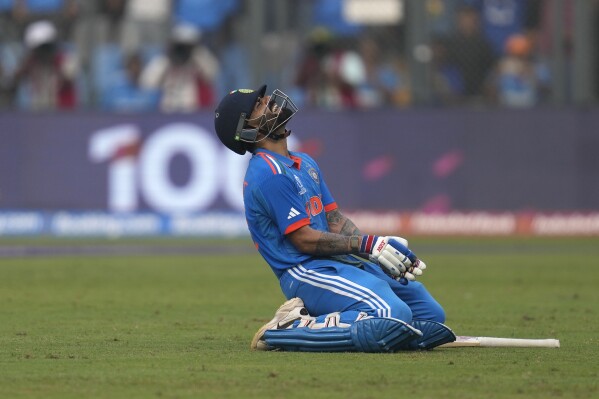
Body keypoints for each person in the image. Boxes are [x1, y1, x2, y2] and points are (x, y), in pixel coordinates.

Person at [213, 85, 455, 353]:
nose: (269, 100)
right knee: (391, 313)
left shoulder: (304, 162)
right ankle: (285, 330)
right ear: (247, 129)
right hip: (306, 271)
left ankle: (381, 330)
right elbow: (303, 239)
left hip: (337, 263)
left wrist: (377, 250)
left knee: (430, 316)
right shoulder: (268, 173)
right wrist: (367, 246)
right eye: (258, 104)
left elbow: (335, 220)